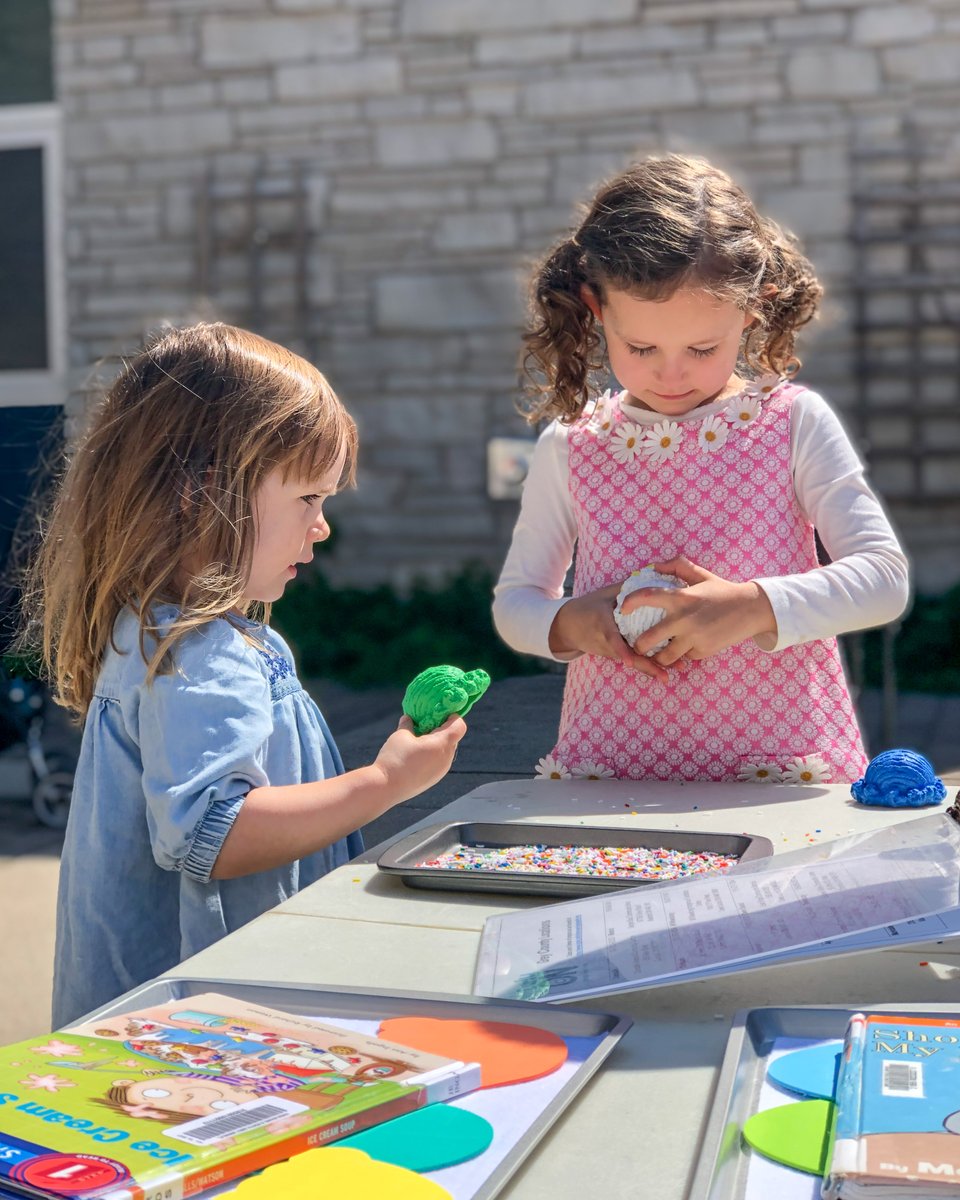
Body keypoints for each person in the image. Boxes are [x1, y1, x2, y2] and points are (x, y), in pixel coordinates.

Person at [23, 322, 466, 1027]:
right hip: (204, 1029)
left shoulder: (159, 628)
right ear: (206, 493)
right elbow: (214, 834)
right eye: (307, 500)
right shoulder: (198, 650)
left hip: (148, 1023)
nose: (321, 526)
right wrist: (386, 783)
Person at [493, 154, 909, 785]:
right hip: (615, 779)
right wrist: (570, 622)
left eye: (702, 348)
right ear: (595, 309)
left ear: (751, 311)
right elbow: (515, 603)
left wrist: (751, 605)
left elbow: (884, 579)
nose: (671, 373)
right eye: (640, 348)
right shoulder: (572, 445)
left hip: (782, 780)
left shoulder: (792, 423)